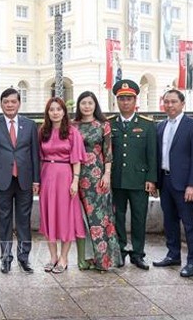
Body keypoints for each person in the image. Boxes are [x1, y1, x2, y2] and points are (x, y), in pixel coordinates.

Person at [0, 88, 40, 274]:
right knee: (4, 219)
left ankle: (24, 258)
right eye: (6, 102)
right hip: (2, 180)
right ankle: (6, 258)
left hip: (24, 180)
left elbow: (34, 154)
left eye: (13, 101)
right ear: (1, 104)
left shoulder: (30, 125)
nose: (10, 105)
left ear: (19, 103)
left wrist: (36, 180)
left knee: (24, 220)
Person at [153, 89, 193, 278]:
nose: (169, 105)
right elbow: (157, 156)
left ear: (182, 103)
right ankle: (173, 254)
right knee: (170, 221)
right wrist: (155, 181)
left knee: (190, 223)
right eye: (166, 102)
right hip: (165, 181)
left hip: (184, 184)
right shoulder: (160, 126)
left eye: (173, 101)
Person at [72, 91, 122, 271]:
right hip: (76, 176)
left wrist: (106, 174)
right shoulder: (73, 126)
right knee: (80, 218)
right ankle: (84, 257)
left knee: (100, 218)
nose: (86, 106)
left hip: (97, 176)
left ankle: (104, 260)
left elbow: (108, 153)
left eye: (90, 103)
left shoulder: (103, 125)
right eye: (83, 103)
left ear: (95, 105)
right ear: (78, 105)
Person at [110, 79, 157, 270]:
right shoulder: (110, 123)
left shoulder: (147, 125)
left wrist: (151, 179)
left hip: (139, 180)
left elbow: (152, 154)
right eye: (121, 98)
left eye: (129, 98)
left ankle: (138, 253)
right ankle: (120, 251)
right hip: (117, 179)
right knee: (117, 217)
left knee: (139, 217)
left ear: (135, 100)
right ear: (117, 101)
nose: (125, 102)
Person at [38, 97, 86, 273]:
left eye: (58, 109)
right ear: (47, 112)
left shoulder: (72, 132)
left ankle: (64, 258)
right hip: (47, 175)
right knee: (49, 215)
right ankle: (53, 256)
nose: (55, 112)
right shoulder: (42, 131)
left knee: (66, 217)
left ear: (64, 111)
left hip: (65, 175)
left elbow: (77, 159)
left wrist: (75, 181)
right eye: (52, 109)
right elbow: (37, 156)